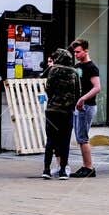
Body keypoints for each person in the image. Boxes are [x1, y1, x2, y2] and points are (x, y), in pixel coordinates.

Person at [41, 47, 80, 179]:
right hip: (67, 111)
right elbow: (78, 92)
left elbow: (48, 89)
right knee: (65, 141)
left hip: (52, 110)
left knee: (50, 140)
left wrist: (54, 99)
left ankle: (46, 169)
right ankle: (63, 170)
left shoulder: (53, 70)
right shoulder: (74, 72)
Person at [70, 39, 101, 178]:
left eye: (78, 51)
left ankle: (89, 167)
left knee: (83, 138)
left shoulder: (91, 67)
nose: (75, 54)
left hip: (87, 106)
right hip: (78, 106)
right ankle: (85, 166)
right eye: (74, 52)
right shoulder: (77, 67)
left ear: (86, 50)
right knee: (80, 137)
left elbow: (97, 87)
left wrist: (83, 98)